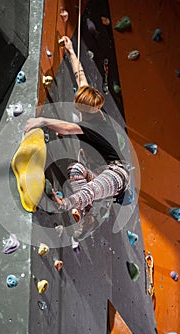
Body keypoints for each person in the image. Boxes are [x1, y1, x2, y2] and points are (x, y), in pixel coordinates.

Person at [24, 36, 130, 226]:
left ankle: (64, 204)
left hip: (117, 175)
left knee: (90, 191)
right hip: (98, 171)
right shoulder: (94, 107)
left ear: (84, 108)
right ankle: (85, 210)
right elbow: (80, 76)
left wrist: (41, 120)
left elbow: (66, 127)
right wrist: (71, 51)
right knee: (74, 168)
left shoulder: (93, 126)